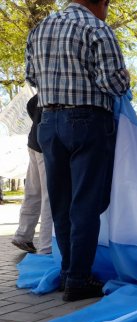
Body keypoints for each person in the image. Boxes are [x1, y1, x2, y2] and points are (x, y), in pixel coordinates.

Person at [26, 0, 130, 301]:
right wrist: (126, 78)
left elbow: (32, 77)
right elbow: (112, 82)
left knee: (61, 203)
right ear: (102, 2)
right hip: (87, 120)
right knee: (84, 203)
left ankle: (68, 271)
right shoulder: (97, 28)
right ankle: (78, 280)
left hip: (47, 121)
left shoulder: (39, 29)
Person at [12, 94, 53, 254]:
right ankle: (47, 246)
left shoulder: (41, 91)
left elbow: (30, 106)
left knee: (33, 192)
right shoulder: (56, 89)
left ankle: (23, 235)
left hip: (34, 142)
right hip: (45, 145)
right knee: (49, 197)